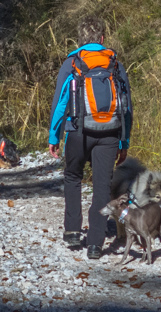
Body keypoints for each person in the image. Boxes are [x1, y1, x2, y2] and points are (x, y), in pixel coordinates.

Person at [46, 16, 132, 260]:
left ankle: (73, 230)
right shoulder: (115, 64)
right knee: (102, 187)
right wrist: (124, 142)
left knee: (73, 176)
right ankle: (96, 243)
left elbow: (60, 103)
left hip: (77, 131)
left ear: (80, 39)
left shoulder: (72, 63)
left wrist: (55, 136)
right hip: (110, 133)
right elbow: (126, 108)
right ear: (102, 38)